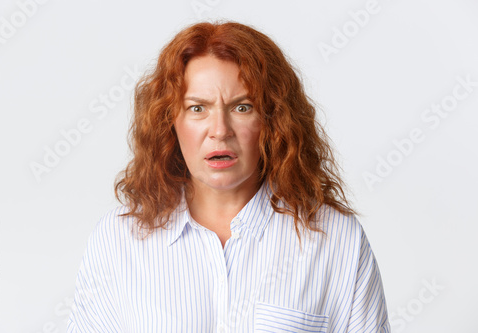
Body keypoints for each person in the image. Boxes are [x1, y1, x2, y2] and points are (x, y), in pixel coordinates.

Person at [67, 21, 391, 332]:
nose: (220, 131)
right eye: (197, 108)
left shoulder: (336, 240)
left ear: (272, 121)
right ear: (170, 121)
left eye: (242, 107)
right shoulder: (117, 241)